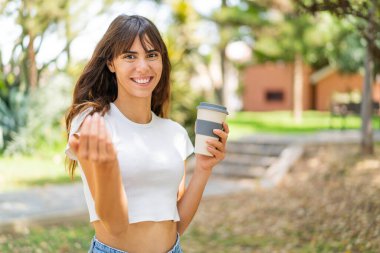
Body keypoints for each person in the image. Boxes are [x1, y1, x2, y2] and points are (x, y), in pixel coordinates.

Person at [65, 14, 229, 253]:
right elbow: (115, 228)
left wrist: (204, 168)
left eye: (152, 55)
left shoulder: (174, 133)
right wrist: (106, 168)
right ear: (111, 63)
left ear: (162, 61)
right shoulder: (93, 122)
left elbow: (176, 224)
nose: (143, 66)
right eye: (130, 56)